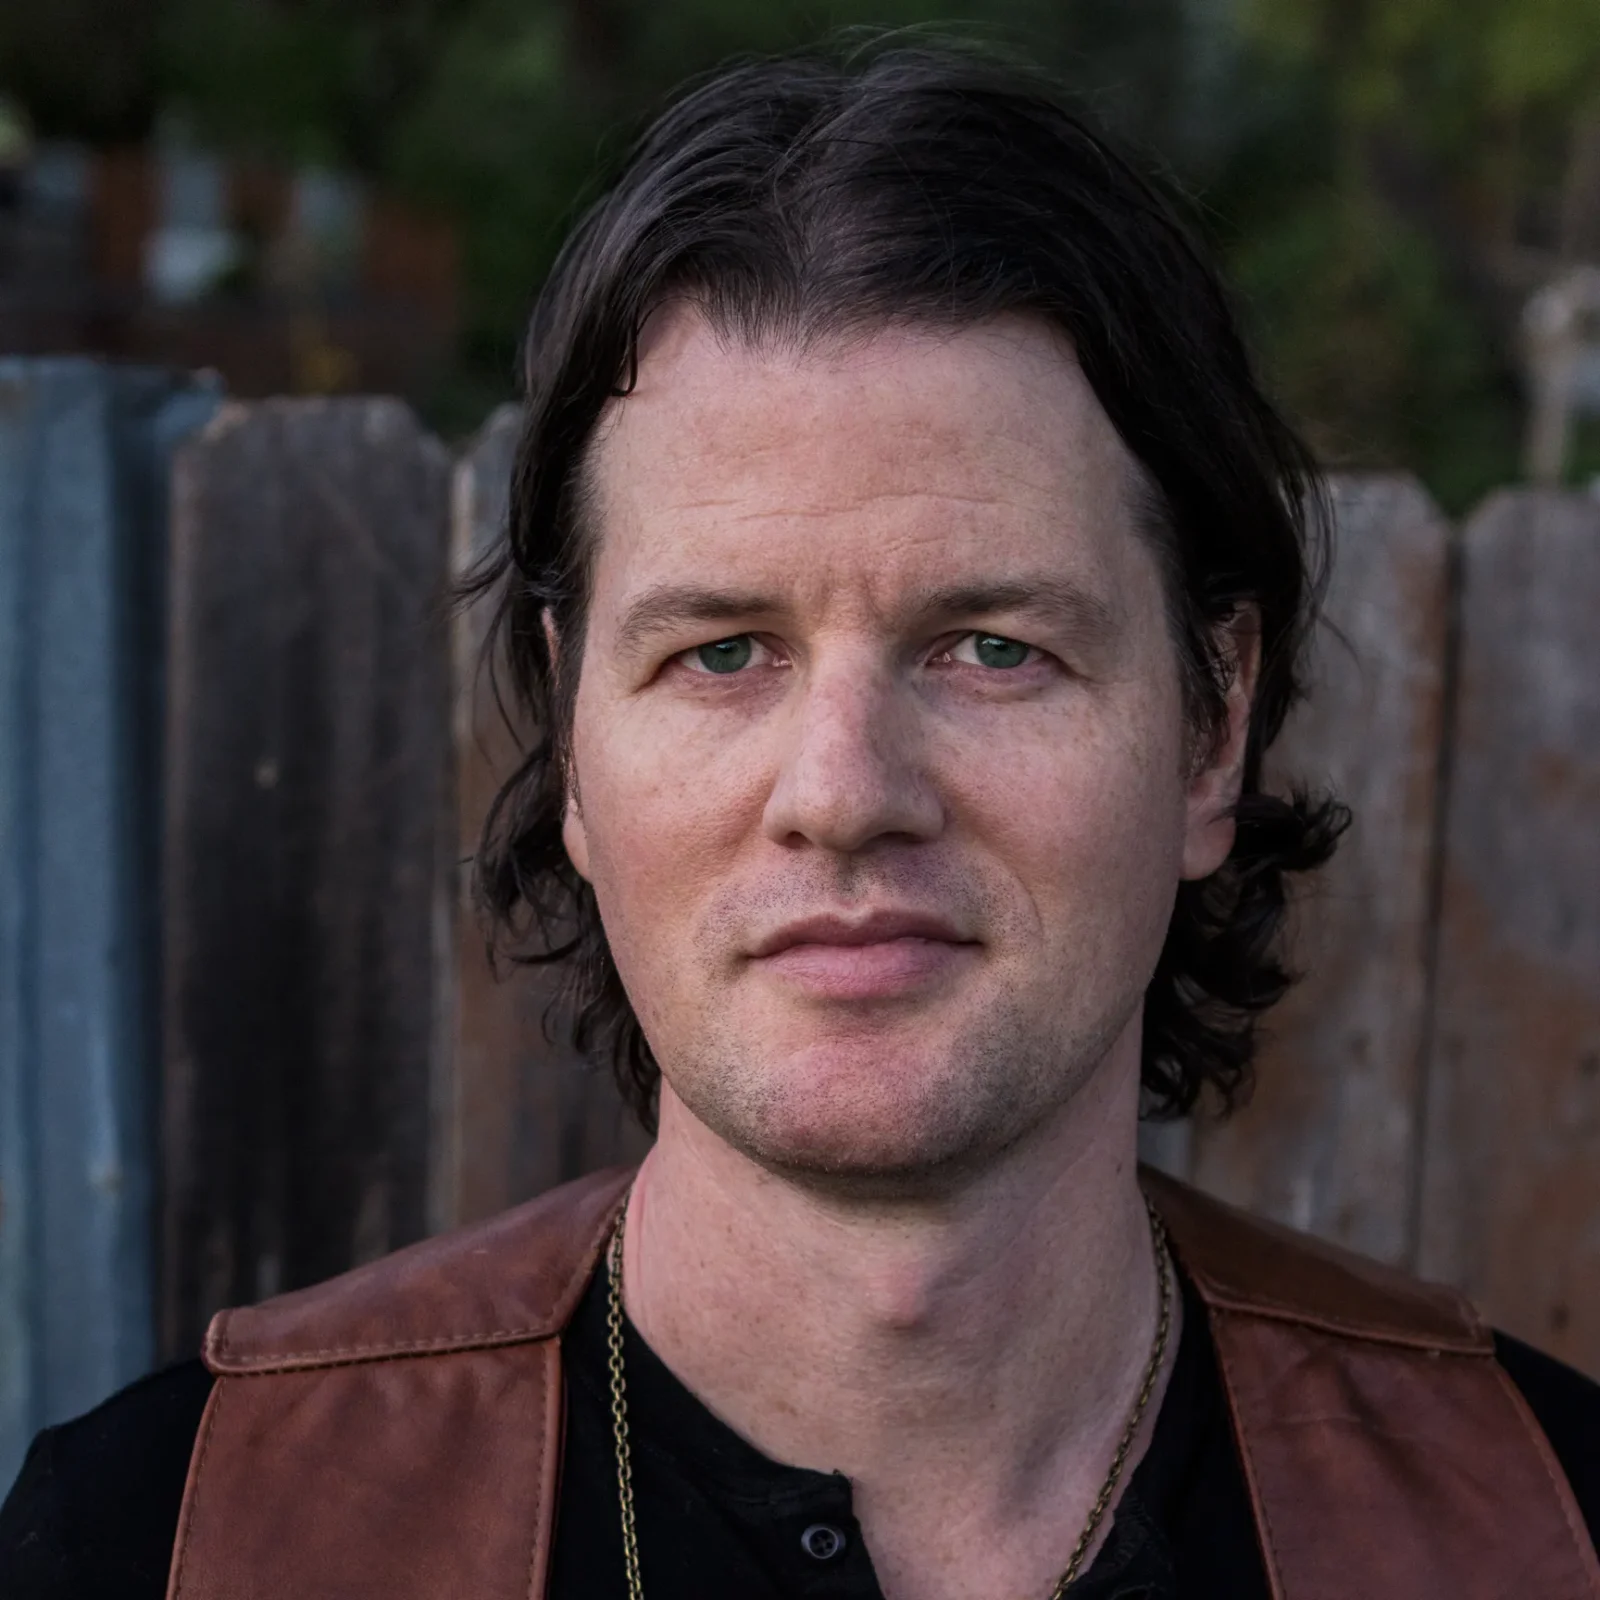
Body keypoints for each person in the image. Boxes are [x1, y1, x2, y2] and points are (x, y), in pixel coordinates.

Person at [3, 39, 1598, 1600]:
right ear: (571, 740)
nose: (841, 794)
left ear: (1213, 722)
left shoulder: (1556, 1532)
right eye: (721, 652)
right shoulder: (172, 1545)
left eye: (992, 648)